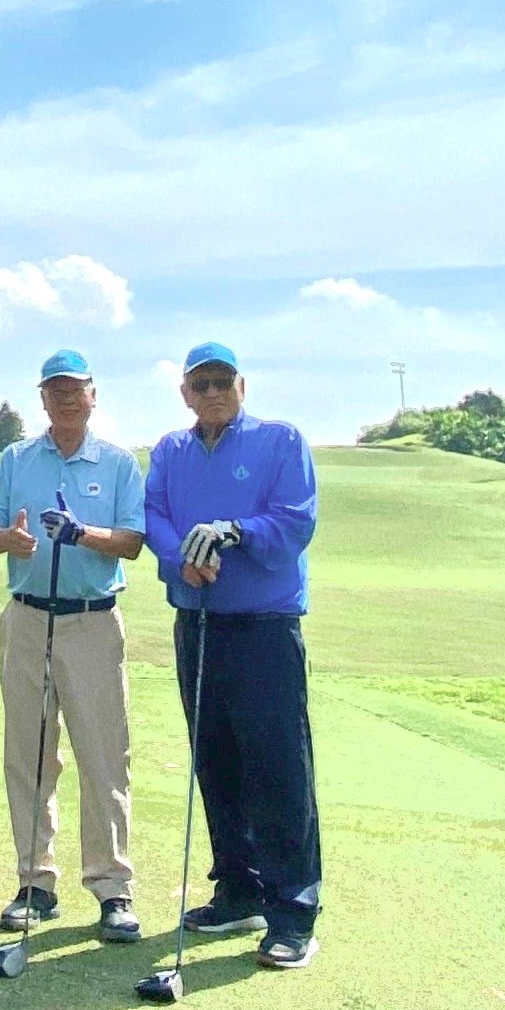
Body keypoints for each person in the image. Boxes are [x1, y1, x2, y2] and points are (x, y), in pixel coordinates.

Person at [143, 340, 322, 969]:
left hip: (265, 626)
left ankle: (293, 911)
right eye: (202, 384)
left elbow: (295, 521)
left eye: (224, 382)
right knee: (216, 760)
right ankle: (239, 890)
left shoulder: (280, 441)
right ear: (186, 393)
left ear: (241, 387)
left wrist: (236, 532)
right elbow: (154, 515)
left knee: (277, 768)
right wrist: (182, 560)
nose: (214, 392)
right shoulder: (170, 450)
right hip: (197, 622)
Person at [0, 349, 147, 943]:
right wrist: (11, 540)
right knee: (29, 754)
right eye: (55, 390)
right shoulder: (16, 458)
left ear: (93, 395)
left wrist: (82, 534)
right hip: (27, 619)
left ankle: (111, 885)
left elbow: (131, 542)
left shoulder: (118, 462)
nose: (67, 398)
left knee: (104, 756)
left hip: (91, 622)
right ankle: (35, 883)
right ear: (43, 399)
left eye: (76, 389)